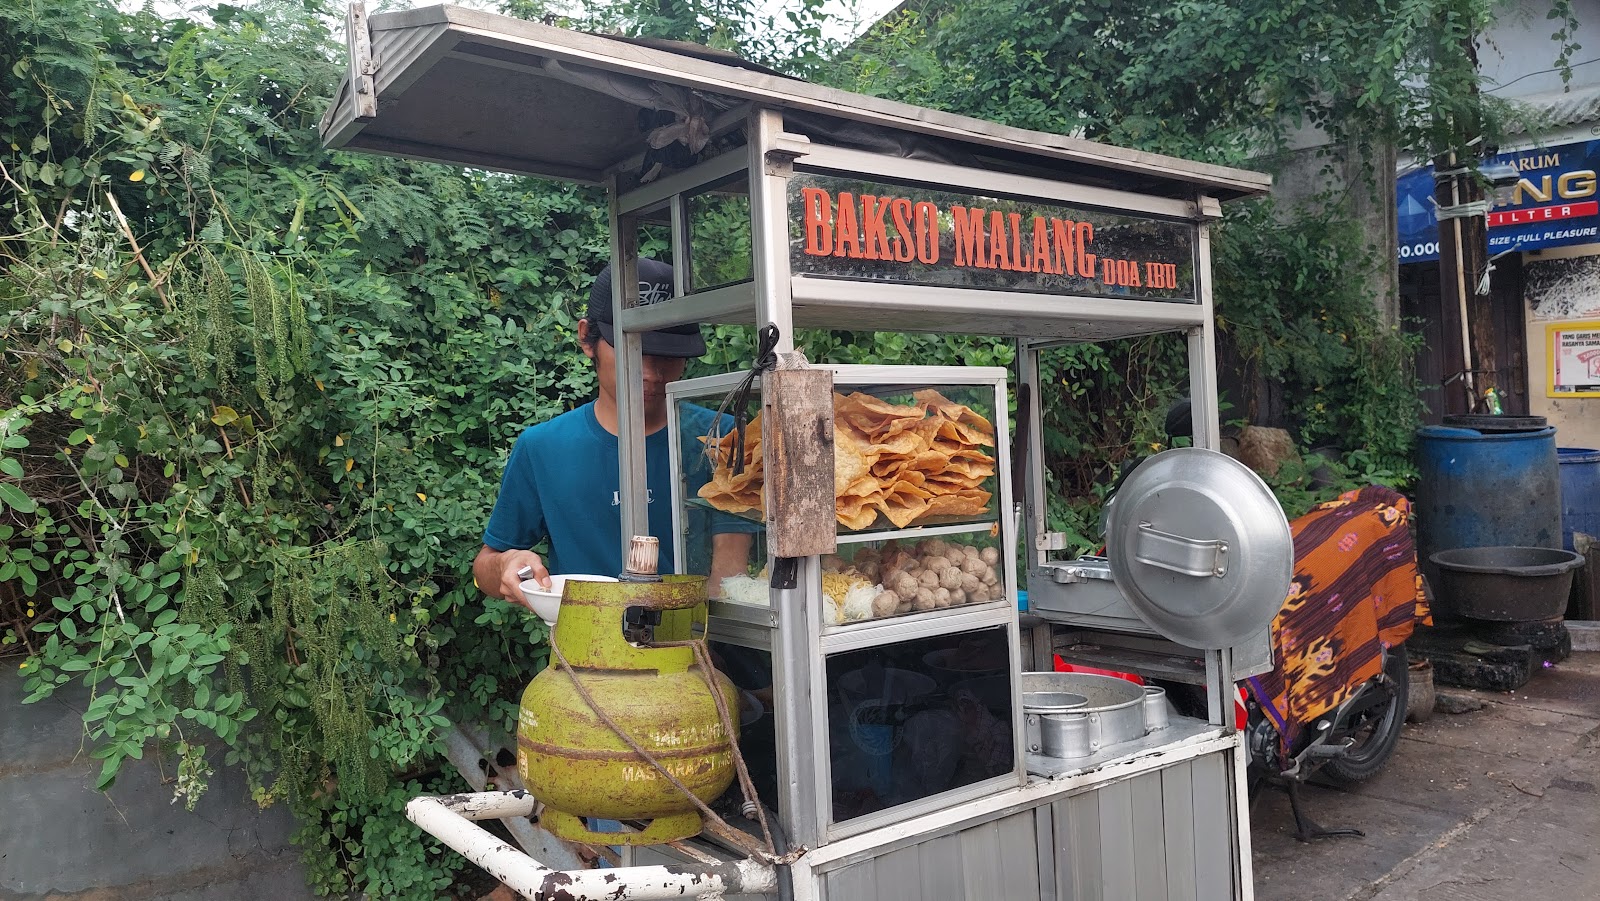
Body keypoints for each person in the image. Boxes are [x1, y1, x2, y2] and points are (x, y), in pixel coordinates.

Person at [473, 258, 756, 608]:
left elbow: (729, 574)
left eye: (669, 354)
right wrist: (505, 565)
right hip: (581, 652)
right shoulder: (543, 448)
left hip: (696, 645)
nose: (653, 371)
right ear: (587, 339)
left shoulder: (723, 438)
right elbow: (487, 563)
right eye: (635, 348)